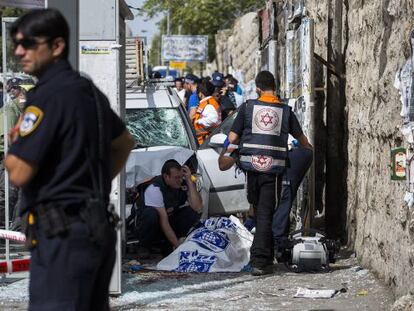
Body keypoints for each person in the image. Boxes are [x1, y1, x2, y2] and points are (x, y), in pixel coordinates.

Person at [5, 9, 135, 310]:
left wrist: (14, 147)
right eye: (17, 44)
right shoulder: (87, 91)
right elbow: (124, 143)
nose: (20, 52)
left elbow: (20, 172)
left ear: (57, 46)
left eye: (28, 43)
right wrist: (93, 184)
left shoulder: (47, 97)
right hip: (97, 231)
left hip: (62, 240)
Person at [227, 70, 312, 276]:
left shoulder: (248, 108)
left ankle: (261, 258)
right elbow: (302, 140)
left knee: (259, 212)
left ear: (257, 89)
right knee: (265, 214)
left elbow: (232, 137)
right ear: (275, 87)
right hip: (272, 171)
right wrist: (308, 150)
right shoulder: (284, 111)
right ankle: (261, 260)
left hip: (251, 169)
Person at [130, 159, 202, 254]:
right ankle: (144, 246)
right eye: (176, 178)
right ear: (166, 176)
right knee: (152, 214)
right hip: (143, 225)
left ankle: (167, 245)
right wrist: (178, 248)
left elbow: (198, 207)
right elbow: (164, 222)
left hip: (165, 221)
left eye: (181, 177)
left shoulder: (182, 183)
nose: (180, 180)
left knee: (191, 212)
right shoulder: (155, 188)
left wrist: (189, 179)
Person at [0, 80, 27, 229]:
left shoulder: (21, 110)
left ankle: (13, 229)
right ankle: (7, 229)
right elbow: (10, 139)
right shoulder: (11, 110)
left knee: (17, 193)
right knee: (9, 193)